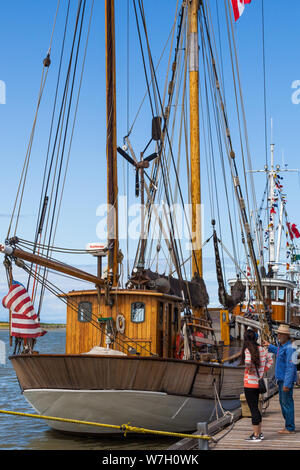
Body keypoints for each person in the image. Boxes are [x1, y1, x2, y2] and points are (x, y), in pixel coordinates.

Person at [240, 328, 273, 442]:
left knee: (253, 409)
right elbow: (270, 360)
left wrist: (249, 370)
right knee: (257, 409)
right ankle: (259, 432)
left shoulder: (248, 350)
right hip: (258, 384)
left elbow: (248, 362)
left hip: (249, 384)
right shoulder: (262, 349)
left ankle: (256, 435)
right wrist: (263, 371)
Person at [264, 324, 297, 434]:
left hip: (285, 380)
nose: (278, 335)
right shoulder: (283, 347)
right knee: (283, 403)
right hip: (281, 379)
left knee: (287, 403)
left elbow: (291, 368)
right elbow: (278, 351)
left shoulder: (290, 348)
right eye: (278, 333)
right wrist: (269, 346)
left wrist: (287, 384)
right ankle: (288, 426)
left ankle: (290, 427)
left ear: (286, 335)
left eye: (280, 334)